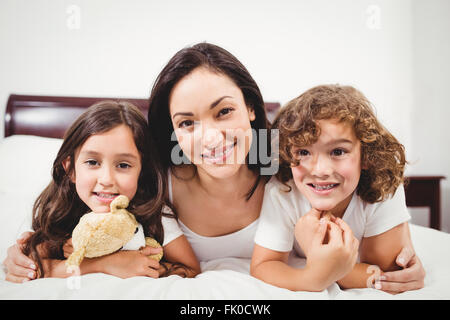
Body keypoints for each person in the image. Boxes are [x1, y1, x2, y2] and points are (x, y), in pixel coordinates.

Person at [4, 44, 425, 293]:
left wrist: (396, 265)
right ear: (172, 133)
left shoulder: (291, 160)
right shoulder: (154, 179)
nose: (210, 138)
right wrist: (24, 257)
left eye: (223, 112)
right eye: (187, 123)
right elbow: (64, 231)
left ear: (251, 109)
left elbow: (371, 180)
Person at [251, 84, 425, 293]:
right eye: (304, 152)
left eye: (338, 151)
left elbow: (386, 273)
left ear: (367, 156)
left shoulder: (384, 188)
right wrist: (312, 278)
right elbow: (263, 265)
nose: (321, 170)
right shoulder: (281, 192)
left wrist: (320, 261)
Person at [5, 101, 200, 281]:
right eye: (92, 162)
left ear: (141, 172)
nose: (106, 179)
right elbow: (33, 263)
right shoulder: (59, 208)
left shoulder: (155, 212)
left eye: (123, 165)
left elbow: (190, 268)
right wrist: (105, 264)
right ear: (70, 169)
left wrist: (143, 265)